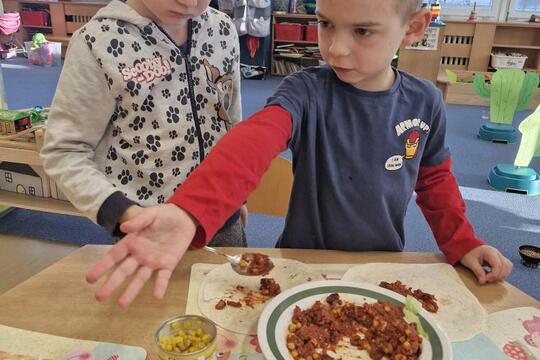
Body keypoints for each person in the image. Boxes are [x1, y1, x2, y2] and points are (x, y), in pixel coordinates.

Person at [86, 0, 513, 308]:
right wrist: (190, 211)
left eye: (362, 31)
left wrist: (462, 242)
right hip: (300, 266)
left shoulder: (425, 102)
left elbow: (435, 180)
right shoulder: (305, 90)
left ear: (414, 28)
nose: (336, 49)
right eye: (326, 24)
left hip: (382, 264)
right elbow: (253, 142)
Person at [41, 0, 248, 248]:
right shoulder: (97, 42)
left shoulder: (222, 28)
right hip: (149, 229)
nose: (189, 2)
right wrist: (123, 212)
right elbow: (64, 151)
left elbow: (231, 122)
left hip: (223, 217)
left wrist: (239, 193)